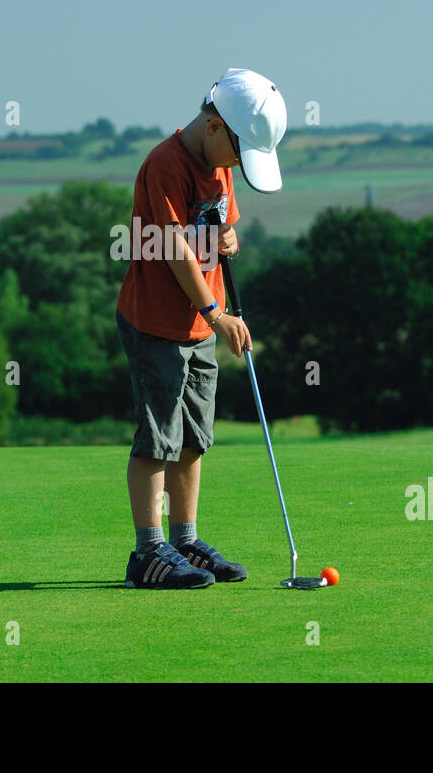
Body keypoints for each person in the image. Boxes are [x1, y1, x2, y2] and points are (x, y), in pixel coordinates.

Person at [115, 68, 287, 588]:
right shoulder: (165, 165)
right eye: (238, 150)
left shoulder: (221, 163)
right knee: (157, 440)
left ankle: (184, 540)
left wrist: (228, 238)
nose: (238, 162)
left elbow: (217, 224)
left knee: (192, 439)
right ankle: (148, 553)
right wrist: (217, 313)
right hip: (157, 322)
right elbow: (174, 248)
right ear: (215, 125)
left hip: (197, 324)